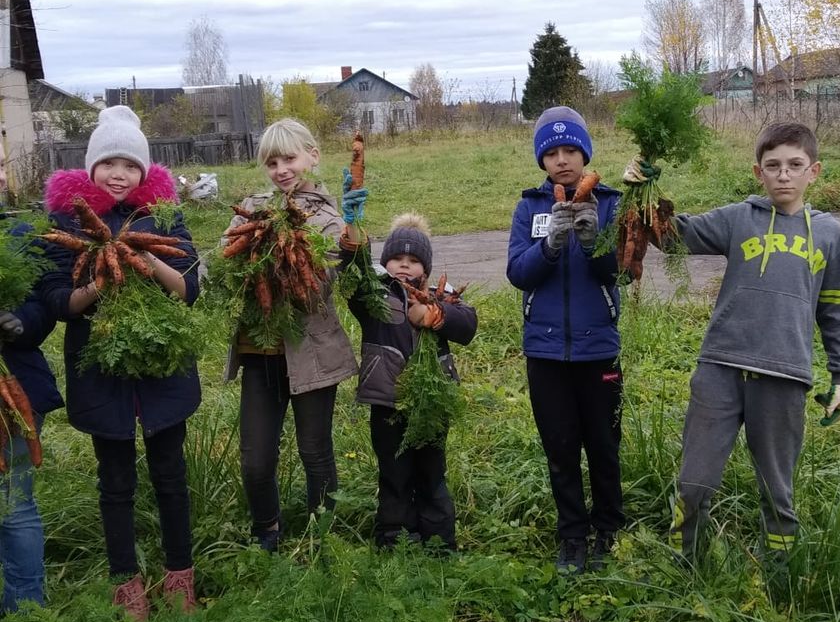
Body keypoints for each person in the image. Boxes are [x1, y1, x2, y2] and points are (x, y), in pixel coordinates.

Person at [638, 122, 840, 580]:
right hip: (719, 368)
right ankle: (684, 566)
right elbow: (673, 237)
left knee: (778, 490)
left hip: (784, 376)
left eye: (795, 166)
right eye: (773, 166)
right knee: (694, 481)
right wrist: (644, 189)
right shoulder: (740, 218)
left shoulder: (832, 237)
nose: (784, 175)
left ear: (813, 171)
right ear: (758, 172)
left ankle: (780, 575)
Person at [39, 105, 201, 622]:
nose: (118, 174)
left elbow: (190, 288)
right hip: (100, 371)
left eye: (129, 165)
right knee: (116, 484)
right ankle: (126, 585)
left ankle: (180, 578)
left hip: (163, 368)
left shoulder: (163, 217)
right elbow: (57, 303)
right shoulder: (66, 222)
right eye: (108, 162)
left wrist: (148, 259)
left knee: (171, 478)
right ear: (90, 168)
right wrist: (100, 282)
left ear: (143, 171)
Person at [223, 118, 358, 553]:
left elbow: (332, 271)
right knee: (256, 459)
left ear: (312, 156)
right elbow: (225, 264)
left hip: (311, 351)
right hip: (259, 349)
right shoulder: (252, 206)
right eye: (272, 162)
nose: (282, 169)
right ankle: (267, 531)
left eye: (290, 158)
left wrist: (293, 253)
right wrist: (245, 253)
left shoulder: (327, 213)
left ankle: (323, 535)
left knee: (314, 450)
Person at [506, 106, 624, 574]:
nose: (562, 160)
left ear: (585, 154)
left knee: (603, 444)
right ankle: (572, 536)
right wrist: (549, 246)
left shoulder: (610, 203)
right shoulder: (529, 208)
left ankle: (610, 530)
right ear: (542, 161)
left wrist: (596, 242)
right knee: (560, 446)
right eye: (551, 152)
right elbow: (518, 273)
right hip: (546, 351)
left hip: (599, 349)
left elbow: (620, 272)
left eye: (570, 149)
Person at [340, 210, 477, 551]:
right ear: (385, 263)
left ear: (426, 269)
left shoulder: (439, 297)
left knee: (432, 473)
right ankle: (395, 539)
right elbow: (352, 274)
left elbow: (467, 324)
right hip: (387, 402)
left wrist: (432, 315)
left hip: (431, 406)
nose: (404, 265)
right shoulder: (374, 299)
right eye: (396, 258)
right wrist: (354, 233)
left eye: (413, 260)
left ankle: (438, 540)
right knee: (394, 473)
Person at [0, 147, 62, 613]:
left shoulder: (18, 235)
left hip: (13, 389)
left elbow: (46, 305)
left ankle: (25, 610)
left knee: (15, 505)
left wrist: (20, 321)